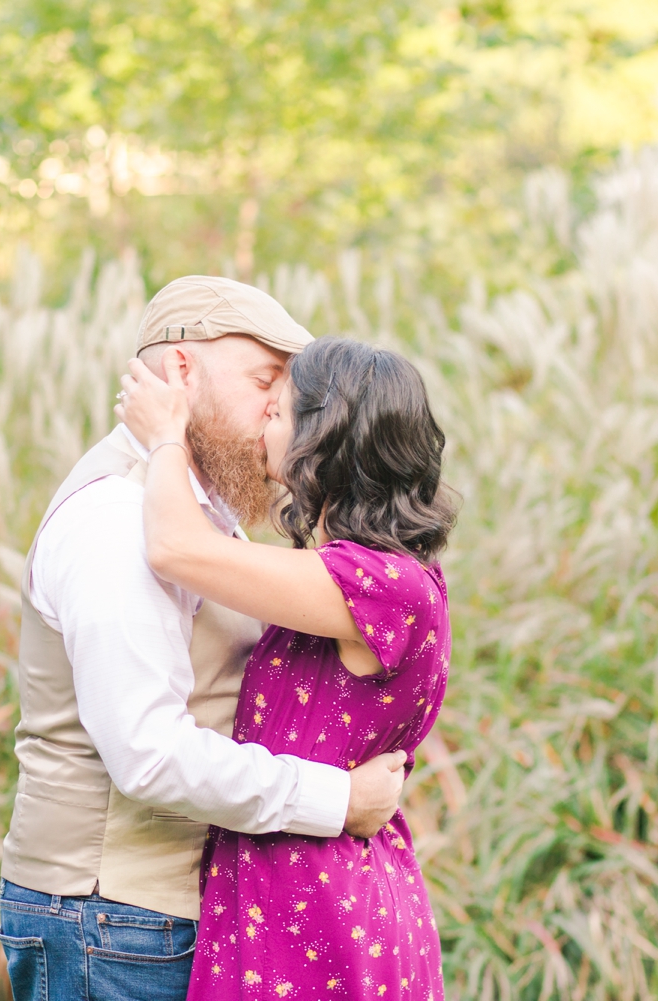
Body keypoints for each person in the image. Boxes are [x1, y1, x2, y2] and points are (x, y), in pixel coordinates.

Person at [0, 276, 411, 1001]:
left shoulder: (198, 510)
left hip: (154, 919)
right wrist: (336, 798)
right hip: (113, 918)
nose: (280, 415)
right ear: (182, 371)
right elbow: (149, 754)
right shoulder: (119, 520)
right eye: (264, 383)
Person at [117, 334, 457, 1000]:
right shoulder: (361, 577)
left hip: (318, 915)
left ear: (323, 438)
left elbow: (174, 546)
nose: (263, 421)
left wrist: (166, 435)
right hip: (302, 899)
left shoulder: (382, 585)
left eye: (279, 409)